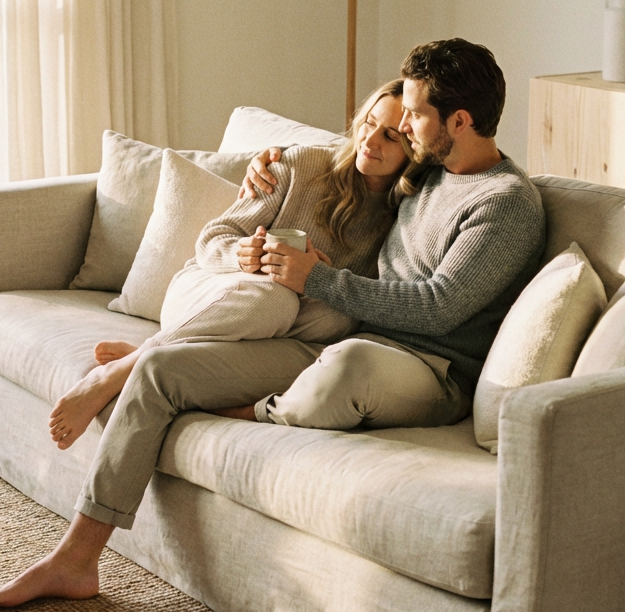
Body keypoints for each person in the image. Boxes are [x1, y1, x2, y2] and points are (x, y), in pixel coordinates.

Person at [0, 38, 546, 609]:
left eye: (415, 116)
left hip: (430, 369)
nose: (403, 128)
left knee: (349, 362)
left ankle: (252, 409)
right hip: (336, 340)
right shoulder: (428, 172)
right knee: (159, 372)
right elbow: (355, 154)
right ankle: (76, 559)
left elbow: (438, 306)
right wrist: (269, 160)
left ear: (460, 121)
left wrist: (316, 279)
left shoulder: (504, 202)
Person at [47, 79, 422, 450]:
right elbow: (211, 240)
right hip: (212, 290)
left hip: (285, 328)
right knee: (274, 298)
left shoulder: (406, 215)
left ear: (412, 149)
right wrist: (243, 254)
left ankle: (169, 357)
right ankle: (127, 367)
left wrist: (318, 278)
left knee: (334, 319)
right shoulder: (302, 165)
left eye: (390, 136)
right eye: (369, 123)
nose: (370, 141)